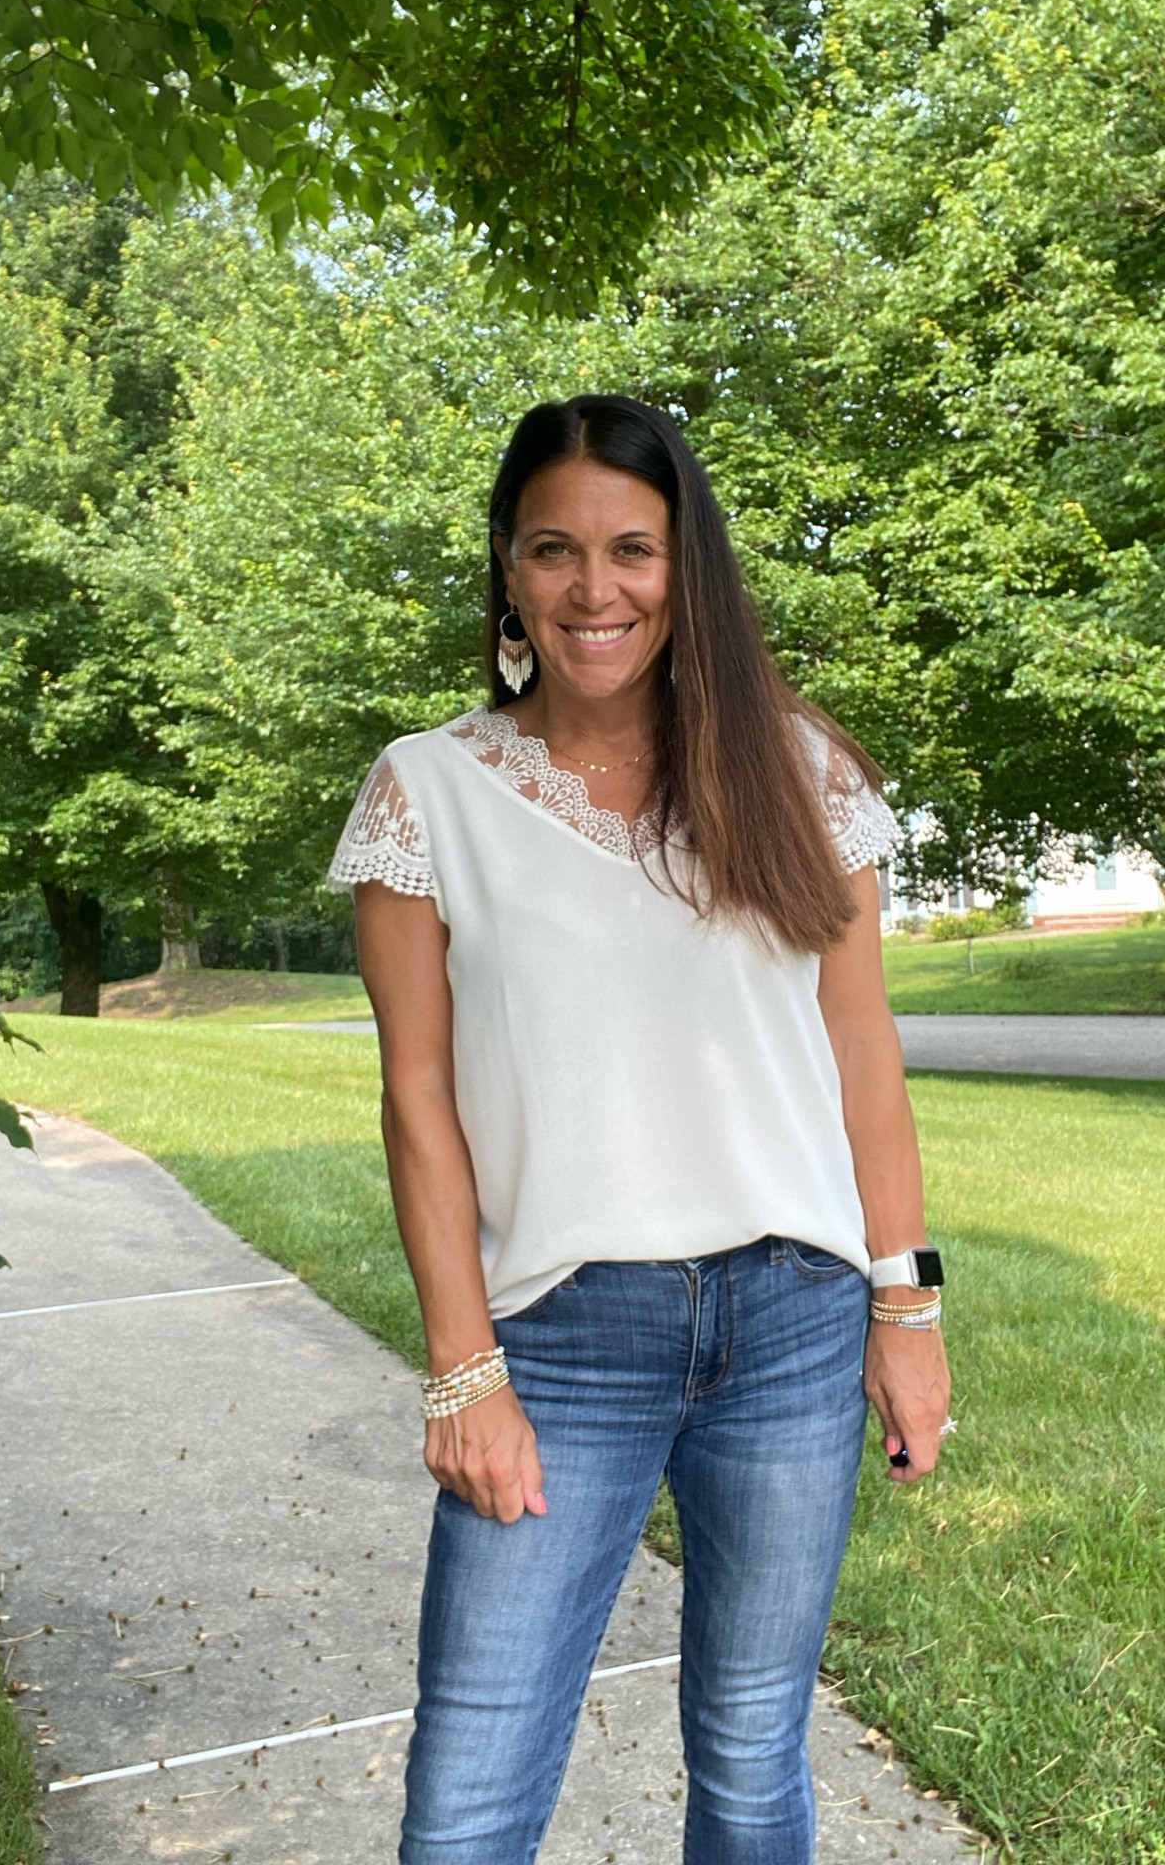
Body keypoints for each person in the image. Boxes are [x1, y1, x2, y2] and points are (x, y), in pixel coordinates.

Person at [329, 395, 953, 1865]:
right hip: (556, 1341)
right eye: (554, 550)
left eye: (633, 550)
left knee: (752, 1753)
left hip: (795, 1323)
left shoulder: (797, 773)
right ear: (507, 571)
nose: (593, 591)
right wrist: (458, 1370)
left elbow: (863, 1049)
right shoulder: (429, 795)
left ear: (690, 570)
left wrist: (907, 1309)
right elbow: (416, 1096)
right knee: (471, 1795)